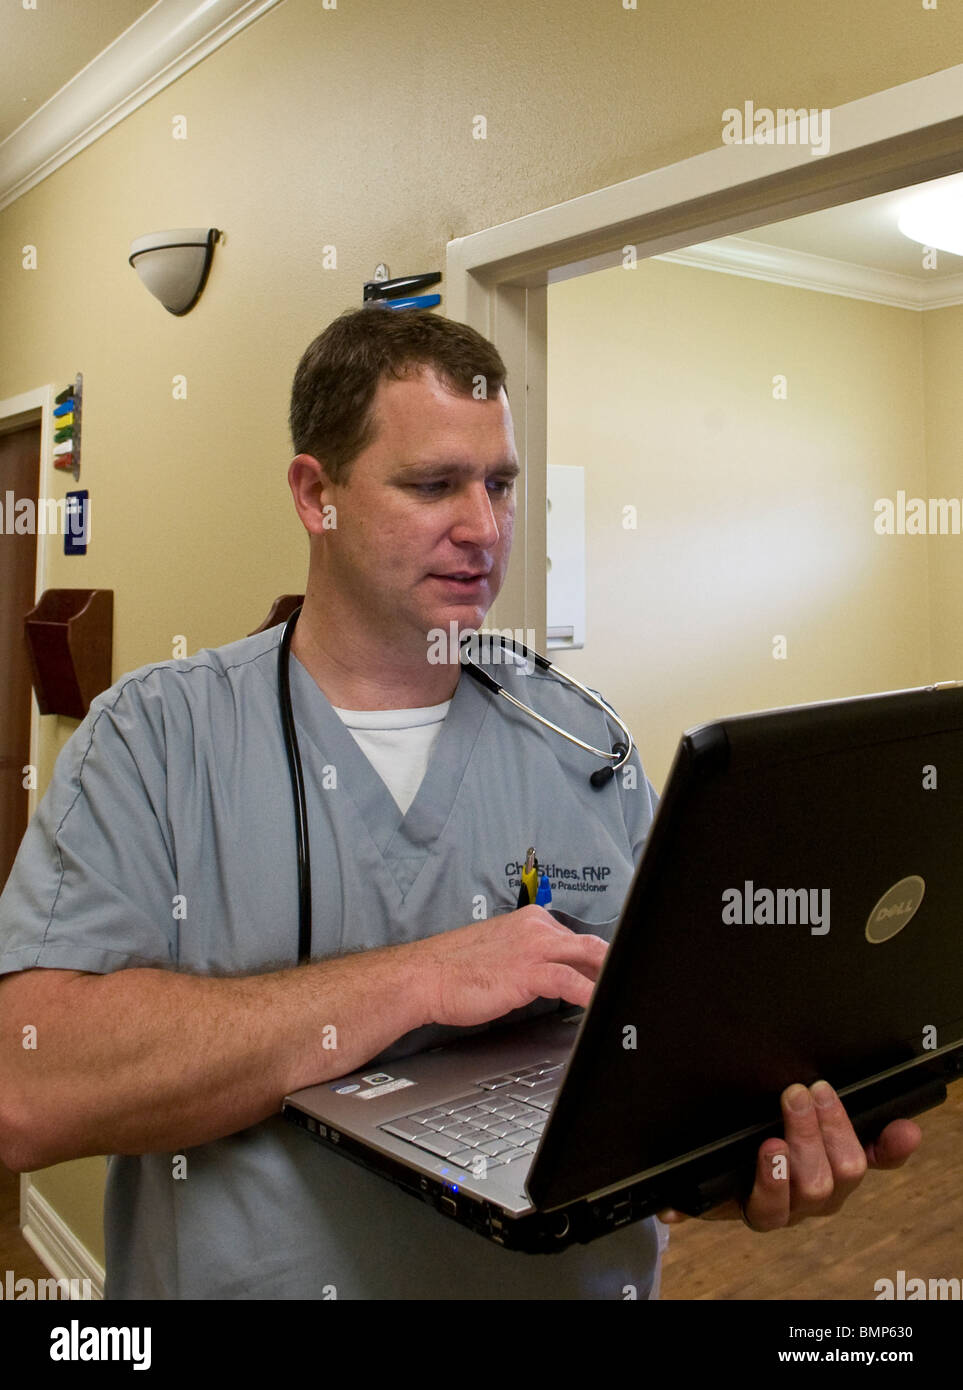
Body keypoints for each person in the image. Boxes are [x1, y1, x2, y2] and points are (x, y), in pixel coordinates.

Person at [0, 308, 921, 1300]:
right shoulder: (155, 742)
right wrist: (414, 979)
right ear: (317, 495)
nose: (484, 527)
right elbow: (30, 1086)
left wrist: (740, 1148)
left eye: (500, 484)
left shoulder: (583, 741)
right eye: (433, 484)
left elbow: (658, 1053)